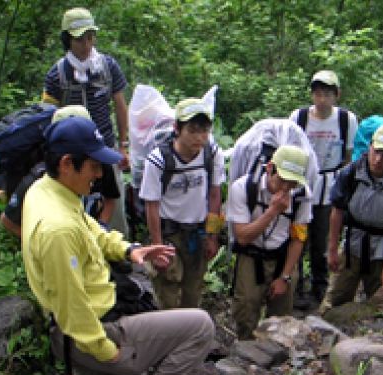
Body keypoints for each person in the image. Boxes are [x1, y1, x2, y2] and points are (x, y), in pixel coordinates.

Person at [21, 116, 214, 375]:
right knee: (199, 326)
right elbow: (71, 304)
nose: (99, 174)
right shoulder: (57, 229)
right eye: (93, 166)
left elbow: (90, 230)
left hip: (87, 326)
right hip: (95, 330)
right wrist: (107, 351)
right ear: (66, 163)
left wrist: (127, 249)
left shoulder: (47, 190)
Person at [42, 7, 129, 235]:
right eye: (80, 39)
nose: (86, 44)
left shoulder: (108, 67)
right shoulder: (57, 74)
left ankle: (120, 256)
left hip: (105, 148)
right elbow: (48, 116)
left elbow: (120, 105)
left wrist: (123, 145)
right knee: (74, 207)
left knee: (115, 207)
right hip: (74, 157)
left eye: (90, 37)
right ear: (68, 40)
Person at [319, 125, 383, 314]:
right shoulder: (351, 173)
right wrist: (333, 249)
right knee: (335, 300)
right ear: (369, 146)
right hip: (352, 245)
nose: (378, 160)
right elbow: (337, 211)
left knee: (381, 305)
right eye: (376, 152)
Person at [139, 98, 225, 309]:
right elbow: (152, 206)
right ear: (177, 128)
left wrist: (213, 236)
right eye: (193, 130)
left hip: (198, 232)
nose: (199, 137)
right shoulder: (159, 160)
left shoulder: (211, 154)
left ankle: (191, 337)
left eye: (204, 131)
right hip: (170, 233)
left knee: (193, 292)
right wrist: (157, 247)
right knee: (167, 291)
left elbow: (215, 195)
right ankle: (169, 338)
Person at [227, 145, 312, 340]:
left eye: (292, 183)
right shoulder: (244, 188)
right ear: (269, 168)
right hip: (251, 253)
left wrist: (285, 277)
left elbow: (298, 238)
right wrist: (272, 211)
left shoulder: (301, 195)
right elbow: (242, 236)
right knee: (246, 306)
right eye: (281, 180)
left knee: (282, 315)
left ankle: (275, 355)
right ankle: (245, 348)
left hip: (283, 256)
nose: (285, 188)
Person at [289, 70, 358, 302]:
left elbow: (349, 156)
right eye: (317, 93)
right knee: (297, 235)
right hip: (301, 183)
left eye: (327, 94)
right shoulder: (298, 117)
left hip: (330, 184)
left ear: (336, 95)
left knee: (322, 239)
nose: (321, 99)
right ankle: (295, 286)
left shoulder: (346, 120)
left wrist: (345, 189)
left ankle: (319, 287)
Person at [0, 105, 92, 238]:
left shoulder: (95, 164)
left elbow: (109, 196)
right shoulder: (39, 176)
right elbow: (7, 220)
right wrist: (38, 243)